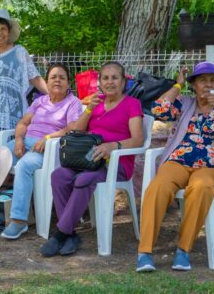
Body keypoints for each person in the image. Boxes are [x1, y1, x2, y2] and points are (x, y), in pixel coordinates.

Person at [136, 61, 214, 272]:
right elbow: (158, 110)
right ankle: (144, 252)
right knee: (157, 187)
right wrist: (177, 85)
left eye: (213, 80)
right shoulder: (185, 103)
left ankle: (183, 250)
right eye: (202, 80)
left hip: (210, 164)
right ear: (194, 85)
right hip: (178, 161)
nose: (208, 85)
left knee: (202, 188)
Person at [40, 62, 144, 257]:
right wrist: (88, 110)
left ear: (123, 82)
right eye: (105, 78)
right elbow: (77, 131)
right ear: (100, 82)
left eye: (115, 78)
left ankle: (61, 234)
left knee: (83, 179)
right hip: (87, 159)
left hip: (116, 163)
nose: (110, 82)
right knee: (59, 175)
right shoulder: (95, 102)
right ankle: (70, 234)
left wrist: (113, 146)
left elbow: (138, 138)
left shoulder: (132, 104)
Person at [0, 63, 82, 239]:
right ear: (46, 83)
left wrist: (48, 139)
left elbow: (72, 129)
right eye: (53, 77)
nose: (57, 80)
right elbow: (23, 123)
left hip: (50, 148)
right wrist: (18, 140)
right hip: (26, 141)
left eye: (62, 77)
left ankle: (18, 220)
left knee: (24, 165)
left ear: (69, 84)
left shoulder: (72, 103)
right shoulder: (39, 101)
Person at [0, 8, 47, 150]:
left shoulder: (19, 51)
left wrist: (57, 95)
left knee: (7, 155)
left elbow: (35, 77)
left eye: (3, 29)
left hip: (12, 113)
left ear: (9, 32)